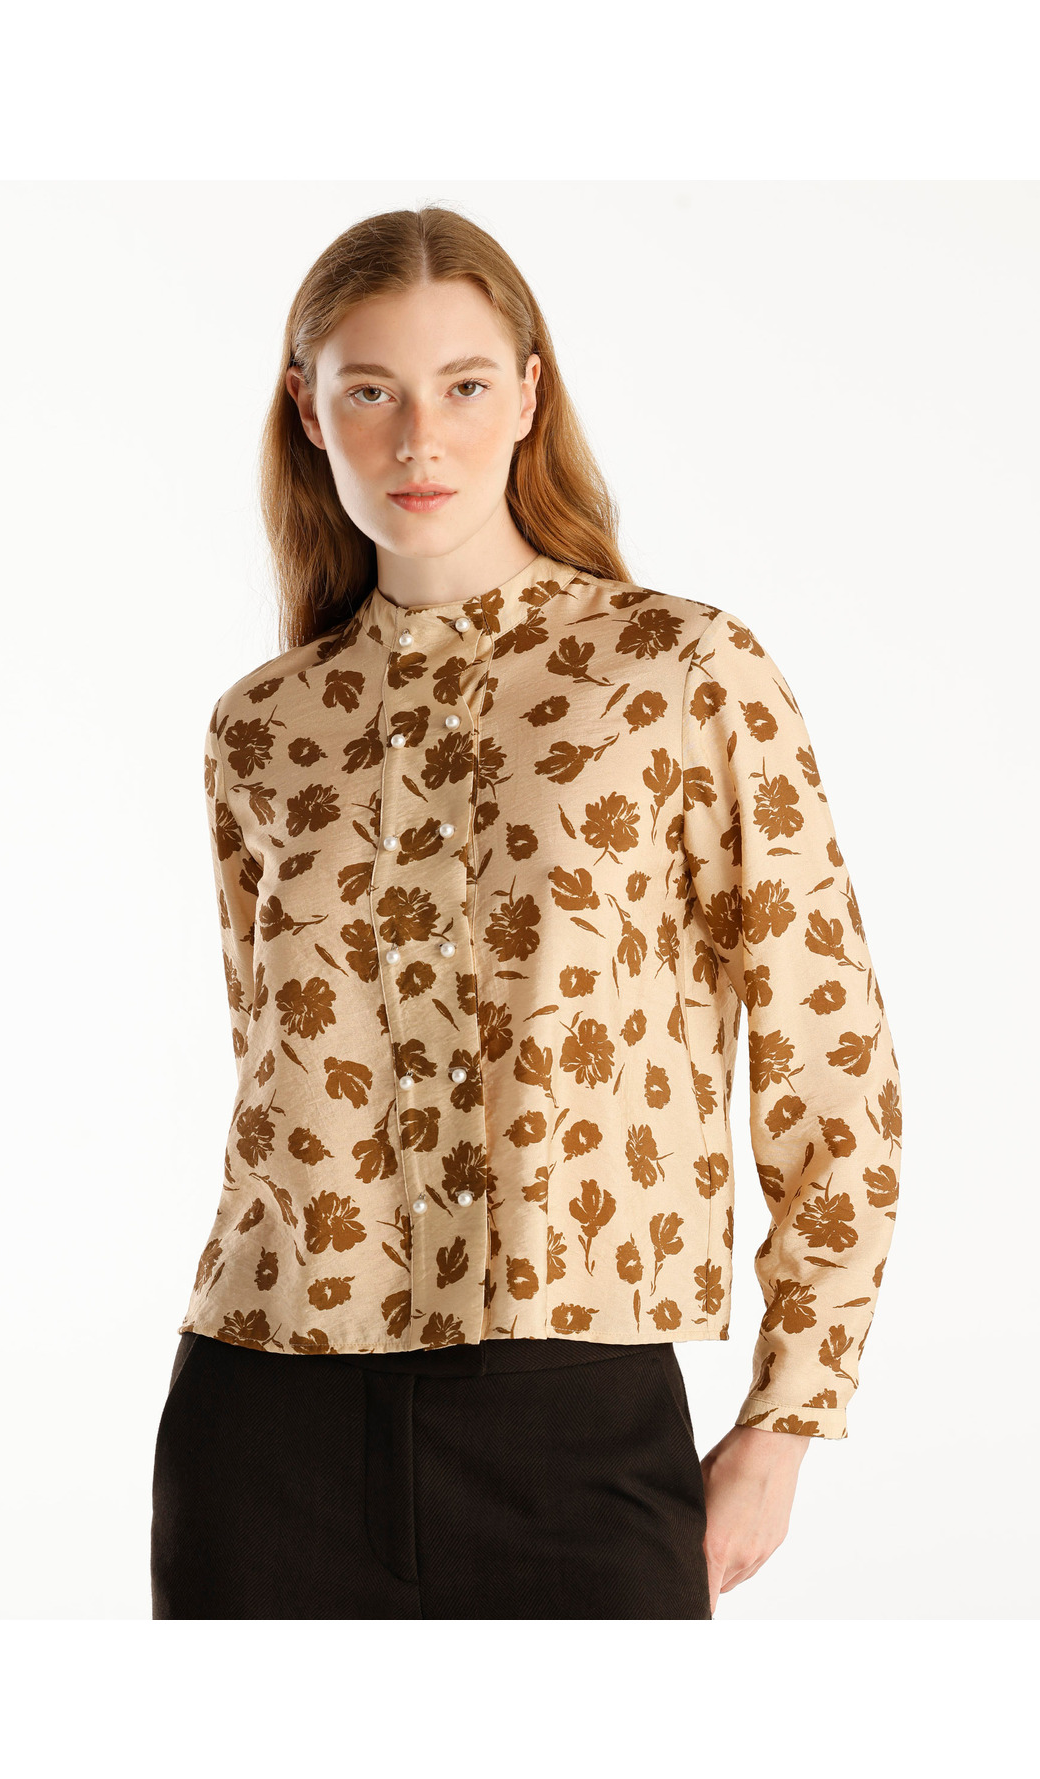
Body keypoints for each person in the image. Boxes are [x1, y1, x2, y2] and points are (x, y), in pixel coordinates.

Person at [149, 205, 902, 1620]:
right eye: (370, 392)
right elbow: (267, 1053)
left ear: (530, 397)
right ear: (308, 410)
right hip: (263, 1422)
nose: (417, 439)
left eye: (463, 385)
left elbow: (829, 1053)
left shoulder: (680, 674)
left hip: (574, 1419)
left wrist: (789, 1417)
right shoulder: (263, 728)